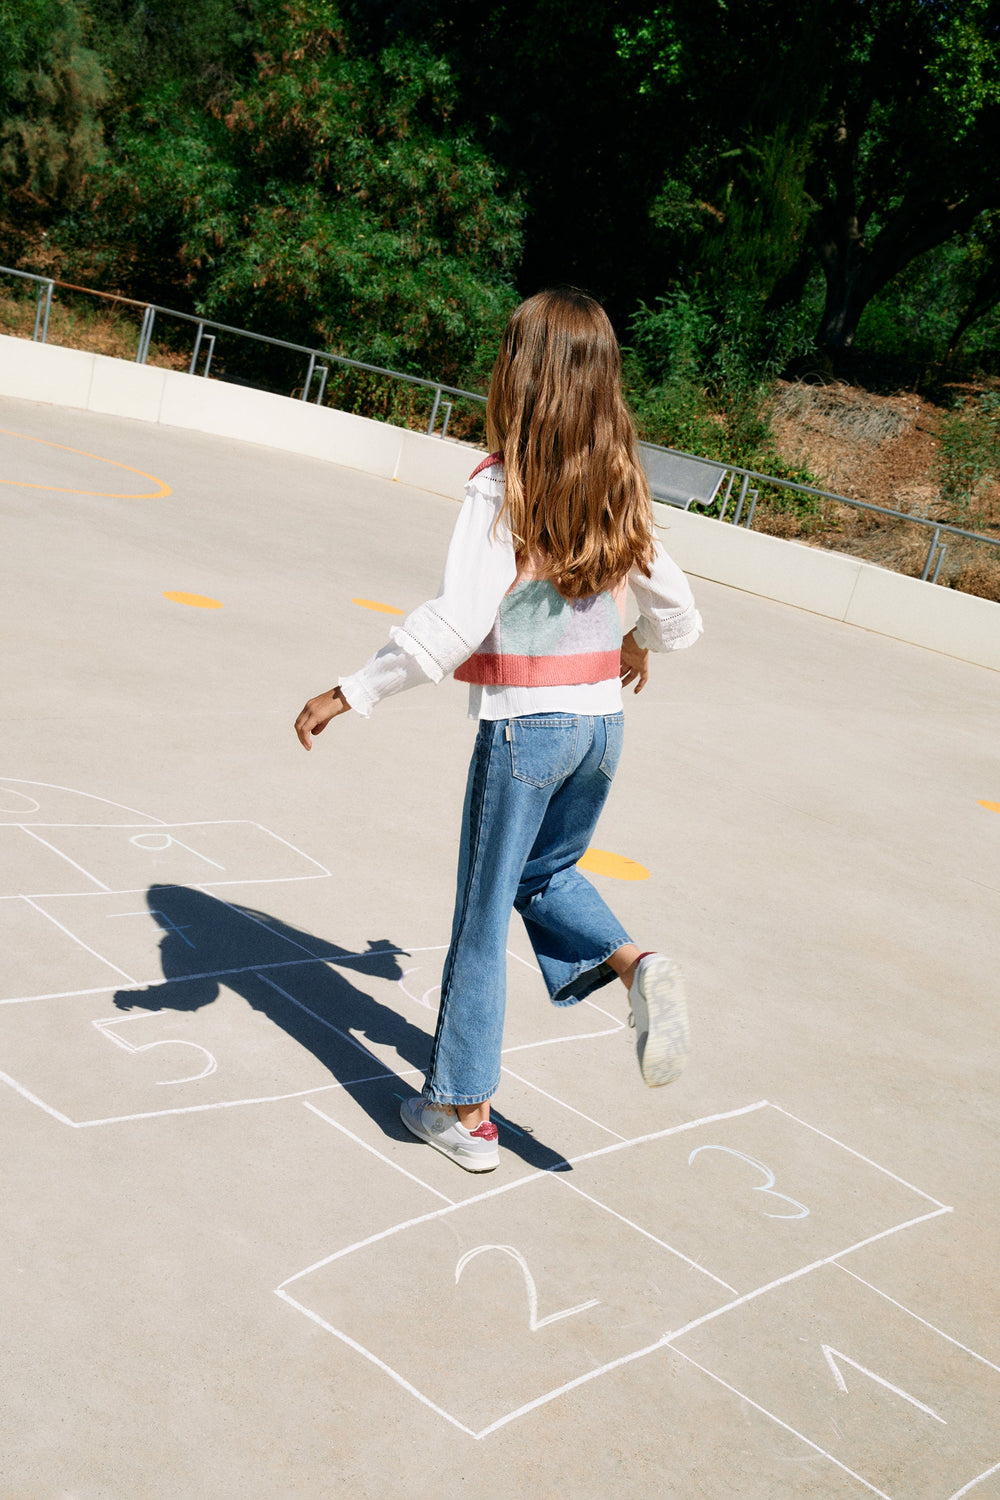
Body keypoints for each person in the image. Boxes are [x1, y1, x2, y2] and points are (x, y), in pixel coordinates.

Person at [295, 288, 703, 1174]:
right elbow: (679, 612)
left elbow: (456, 621)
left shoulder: (503, 483)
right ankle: (637, 966)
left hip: (527, 732)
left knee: (481, 916)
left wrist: (352, 690)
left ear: (521, 377)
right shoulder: (619, 481)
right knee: (545, 875)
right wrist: (638, 640)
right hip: (601, 729)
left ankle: (461, 1110)